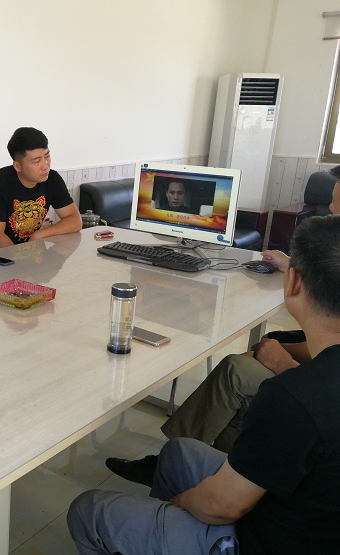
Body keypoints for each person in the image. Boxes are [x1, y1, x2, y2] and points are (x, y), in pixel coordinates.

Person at [68, 214, 340, 554]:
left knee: (88, 509)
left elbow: (222, 506)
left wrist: (181, 503)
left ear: (293, 281)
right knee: (176, 453)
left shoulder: (294, 396)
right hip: (304, 512)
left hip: (263, 541)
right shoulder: (309, 387)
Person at [106, 165, 340, 477]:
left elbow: (328, 390)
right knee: (256, 353)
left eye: (336, 205)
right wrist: (282, 347)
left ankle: (177, 467)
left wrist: (283, 364)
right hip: (313, 370)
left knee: (236, 370)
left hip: (315, 393)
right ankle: (210, 465)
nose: (330, 210)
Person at [0, 127, 82, 254]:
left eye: (47, 156)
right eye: (37, 161)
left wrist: (39, 235)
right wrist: (22, 261)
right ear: (18, 166)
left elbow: (75, 221)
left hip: (31, 254)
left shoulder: (52, 179)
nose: (45, 165)